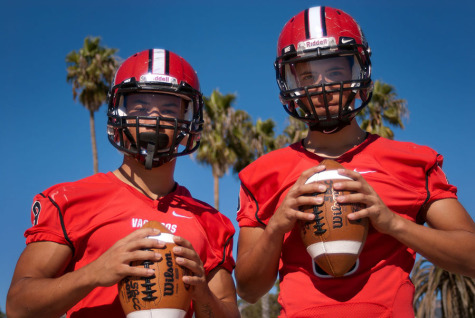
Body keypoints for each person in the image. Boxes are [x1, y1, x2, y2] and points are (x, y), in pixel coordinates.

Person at [235, 6, 475, 317]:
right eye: (307, 75)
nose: (323, 87)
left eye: (335, 72)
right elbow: (249, 290)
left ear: (359, 71)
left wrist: (392, 223)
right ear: (290, 83)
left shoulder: (411, 161)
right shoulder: (264, 174)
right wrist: (276, 228)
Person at [7, 49, 240, 318]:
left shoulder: (210, 221)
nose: (153, 118)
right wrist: (94, 273)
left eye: (168, 109)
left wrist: (203, 294)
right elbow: (17, 306)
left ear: (188, 120)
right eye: (140, 108)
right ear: (119, 115)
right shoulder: (69, 200)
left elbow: (228, 310)